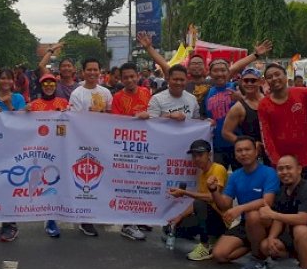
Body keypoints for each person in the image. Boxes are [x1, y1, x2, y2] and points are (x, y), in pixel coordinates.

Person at [209, 136, 280, 269]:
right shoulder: (235, 176)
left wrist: (240, 208)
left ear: (256, 151)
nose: (243, 153)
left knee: (252, 215)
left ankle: (259, 259)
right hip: (246, 223)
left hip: (268, 222)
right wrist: (213, 191)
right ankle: (254, 244)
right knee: (219, 255)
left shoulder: (269, 173)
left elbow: (267, 202)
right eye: (239, 150)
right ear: (235, 155)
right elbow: (225, 205)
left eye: (247, 149)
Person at [203, 40, 273, 170]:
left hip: (240, 146)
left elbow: (252, 100)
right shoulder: (207, 93)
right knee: (218, 180)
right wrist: (204, 121)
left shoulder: (237, 86)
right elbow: (202, 116)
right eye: (215, 71)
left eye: (223, 70)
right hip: (217, 146)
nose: (219, 74)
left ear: (228, 72)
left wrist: (255, 55)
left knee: (244, 179)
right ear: (210, 73)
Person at [68, 58, 112, 237]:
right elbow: (76, 119)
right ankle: (85, 219)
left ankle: (99, 212)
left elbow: (111, 115)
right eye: (89, 70)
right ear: (83, 72)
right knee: (85, 180)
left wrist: (101, 115)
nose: (93, 73)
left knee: (101, 178)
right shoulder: (77, 94)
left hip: (102, 142)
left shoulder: (106, 92)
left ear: (100, 71)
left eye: (96, 69)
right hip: (82, 143)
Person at [108, 62, 152, 241]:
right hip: (126, 148)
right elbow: (116, 122)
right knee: (128, 184)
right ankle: (127, 224)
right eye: (125, 77)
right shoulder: (117, 97)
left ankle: (138, 218)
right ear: (120, 79)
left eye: (132, 76)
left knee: (143, 182)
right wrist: (136, 117)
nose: (129, 80)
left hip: (146, 145)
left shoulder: (146, 92)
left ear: (138, 76)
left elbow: (154, 114)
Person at [0, 68, 27, 241]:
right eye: (2, 78)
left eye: (9, 79)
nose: (6, 82)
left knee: (10, 184)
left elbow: (23, 121)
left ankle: (10, 224)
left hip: (13, 147)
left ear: (13, 81)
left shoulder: (18, 98)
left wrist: (9, 107)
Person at [259, 63, 307, 182]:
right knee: (285, 199)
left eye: (277, 74)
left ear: (286, 75)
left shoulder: (302, 93)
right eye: (270, 77)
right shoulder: (264, 104)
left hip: (306, 160)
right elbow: (266, 136)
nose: (274, 78)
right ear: (266, 81)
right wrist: (278, 162)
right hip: (282, 165)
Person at [167, 139, 228, 261]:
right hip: (208, 215)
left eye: (200, 155)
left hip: (221, 219)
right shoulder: (202, 174)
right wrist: (180, 216)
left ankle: (206, 245)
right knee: (173, 228)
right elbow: (198, 200)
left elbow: (211, 197)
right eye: (194, 156)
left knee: (199, 203)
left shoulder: (218, 169)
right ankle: (212, 238)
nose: (197, 159)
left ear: (209, 155)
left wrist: (184, 192)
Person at [26, 74, 70, 238]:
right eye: (45, 83)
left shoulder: (64, 103)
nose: (49, 86)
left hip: (59, 150)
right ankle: (44, 214)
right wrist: (25, 112)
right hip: (40, 151)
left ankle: (52, 217)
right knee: (42, 185)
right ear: (41, 86)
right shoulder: (34, 104)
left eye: (52, 83)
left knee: (57, 184)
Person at [137, 32, 211, 104]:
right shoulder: (182, 83)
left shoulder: (213, 83)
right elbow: (165, 66)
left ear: (205, 67)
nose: (197, 66)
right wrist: (149, 48)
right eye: (194, 63)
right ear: (188, 67)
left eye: (200, 63)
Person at [221, 68, 265, 163]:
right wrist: (248, 145)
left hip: (272, 150)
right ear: (241, 82)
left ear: (261, 82)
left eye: (253, 80)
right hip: (253, 157)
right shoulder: (238, 107)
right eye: (246, 80)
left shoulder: (269, 100)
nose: (249, 83)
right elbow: (226, 132)